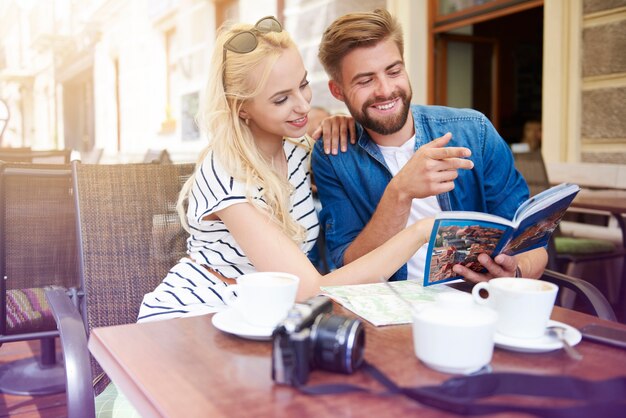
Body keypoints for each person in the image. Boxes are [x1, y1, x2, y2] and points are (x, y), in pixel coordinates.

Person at [137, 16, 433, 323]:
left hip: (263, 313)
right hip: (194, 314)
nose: (303, 106)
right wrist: (420, 232)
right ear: (241, 107)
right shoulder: (227, 171)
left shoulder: (296, 153)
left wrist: (344, 125)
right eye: (281, 99)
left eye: (303, 85)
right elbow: (308, 290)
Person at [311, 9, 548, 284]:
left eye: (394, 71)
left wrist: (515, 271)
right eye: (365, 80)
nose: (385, 90)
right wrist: (400, 192)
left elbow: (533, 245)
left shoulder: (474, 131)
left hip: (477, 300)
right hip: (391, 309)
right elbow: (350, 266)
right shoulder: (335, 154)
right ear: (337, 91)